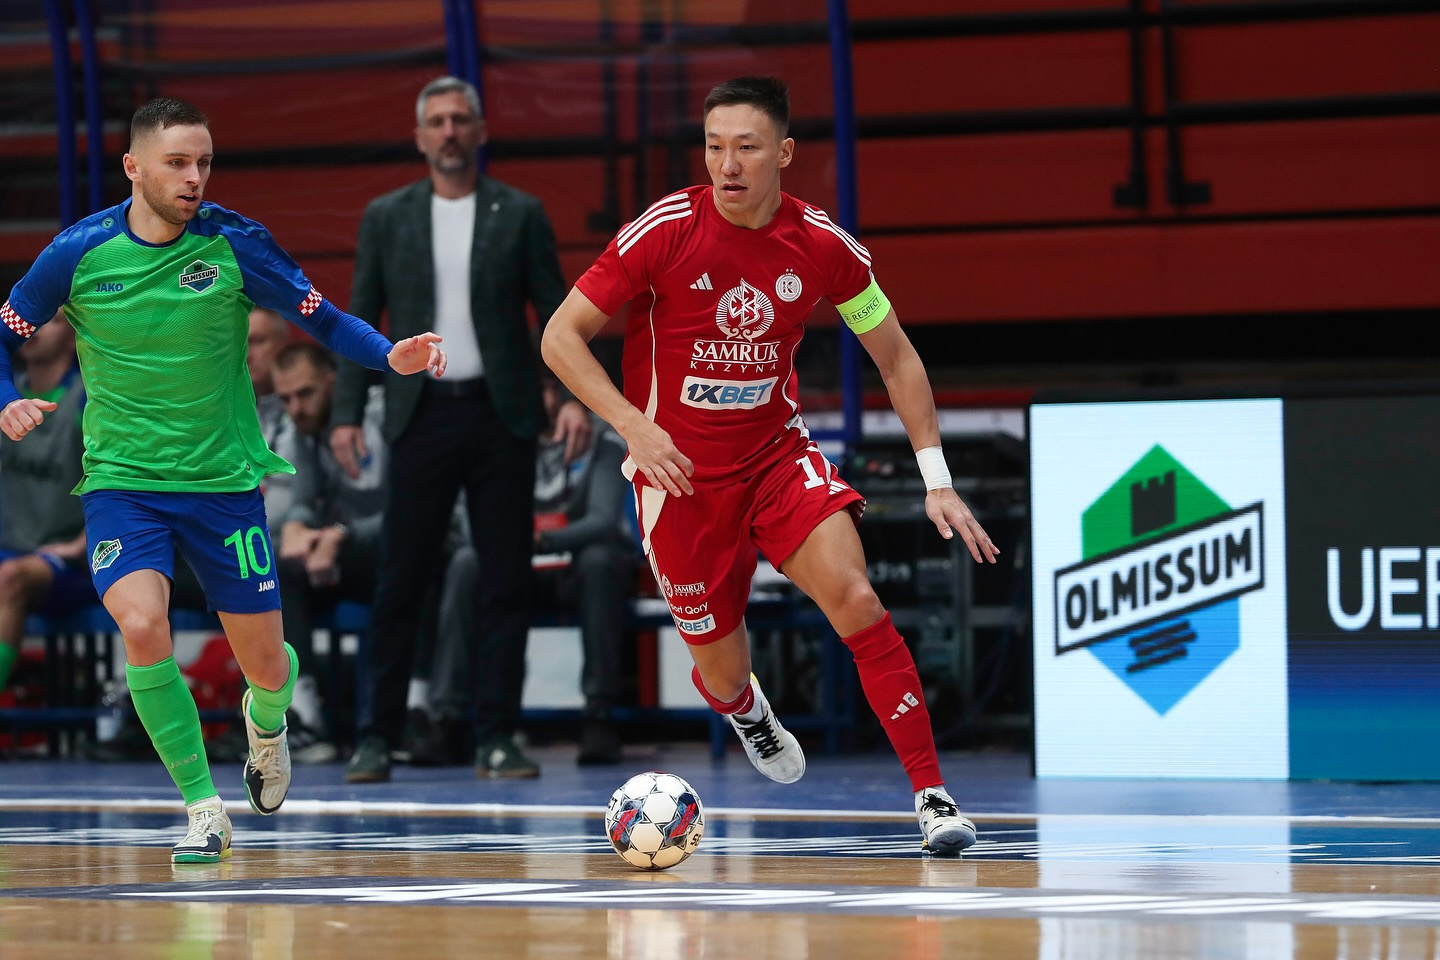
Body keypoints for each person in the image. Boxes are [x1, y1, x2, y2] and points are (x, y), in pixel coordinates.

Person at [540, 76, 999, 856]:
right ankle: (747, 711)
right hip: (679, 480)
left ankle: (933, 798)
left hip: (778, 462)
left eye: (747, 147)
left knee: (856, 598)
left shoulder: (821, 246)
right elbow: (559, 336)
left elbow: (895, 357)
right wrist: (633, 427)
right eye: (715, 147)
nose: (728, 164)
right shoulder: (665, 230)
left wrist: (937, 480)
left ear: (783, 153)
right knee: (722, 675)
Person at [0, 97, 447, 864]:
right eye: (177, 162)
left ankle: (267, 725)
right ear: (133, 167)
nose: (194, 177)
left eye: (204, 162)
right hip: (123, 485)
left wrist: (387, 354)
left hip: (222, 486)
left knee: (267, 669)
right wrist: (7, 400)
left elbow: (324, 318)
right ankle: (203, 809)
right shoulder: (78, 252)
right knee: (143, 627)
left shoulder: (236, 243)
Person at [338, 75, 589, 784]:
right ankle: (376, 736)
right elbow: (360, 314)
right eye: (437, 121)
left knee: (505, 578)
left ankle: (497, 735)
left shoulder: (522, 212)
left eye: (460, 119)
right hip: (420, 412)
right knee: (400, 579)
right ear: (420, 137)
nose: (449, 131)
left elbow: (558, 312)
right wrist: (347, 412)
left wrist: (575, 397)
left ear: (480, 131)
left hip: (500, 412)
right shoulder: (387, 216)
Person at [417, 378, 637, 766]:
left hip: (573, 569)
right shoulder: (495, 438)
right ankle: (448, 719)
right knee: (467, 562)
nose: (540, 398)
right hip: (515, 565)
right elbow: (469, 520)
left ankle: (599, 716)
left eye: (550, 388)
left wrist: (537, 539)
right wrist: (512, 542)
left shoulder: (602, 437)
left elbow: (603, 521)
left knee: (600, 561)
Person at [0, 311, 96, 695]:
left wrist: (80, 544)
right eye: (32, 318)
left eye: (52, 320)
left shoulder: (88, 398)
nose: (35, 327)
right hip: (10, 550)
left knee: (9, 578)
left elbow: (122, 479)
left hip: (71, 563)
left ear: (73, 335)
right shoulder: (7, 395)